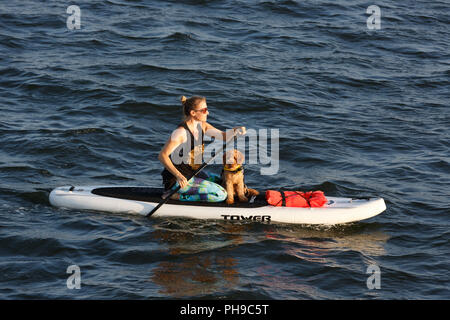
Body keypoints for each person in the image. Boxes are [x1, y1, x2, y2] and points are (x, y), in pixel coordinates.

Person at [158, 95, 246, 201]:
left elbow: (224, 136)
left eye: (207, 109)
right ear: (193, 113)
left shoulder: (203, 126)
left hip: (193, 173)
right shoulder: (181, 132)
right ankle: (175, 196)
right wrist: (179, 176)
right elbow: (162, 155)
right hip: (179, 180)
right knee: (221, 194)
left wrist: (236, 130)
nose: (207, 113)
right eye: (204, 110)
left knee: (222, 181)